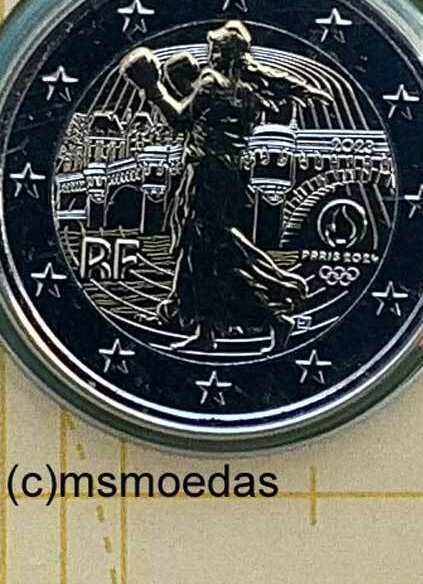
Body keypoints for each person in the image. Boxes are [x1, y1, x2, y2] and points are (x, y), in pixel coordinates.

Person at [121, 21, 332, 350]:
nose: (209, 53)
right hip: (230, 176)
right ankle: (207, 327)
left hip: (205, 173)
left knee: (207, 252)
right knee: (206, 251)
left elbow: (180, 120)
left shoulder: (210, 82)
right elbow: (271, 86)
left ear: (223, 53)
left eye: (214, 48)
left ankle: (271, 317)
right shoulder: (247, 88)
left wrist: (153, 88)